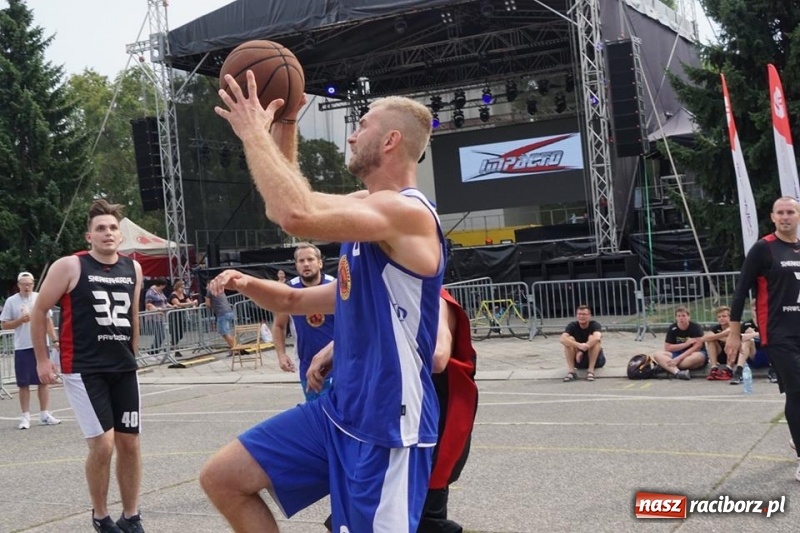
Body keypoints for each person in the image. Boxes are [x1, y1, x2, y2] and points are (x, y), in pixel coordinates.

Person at [199, 72, 442, 532]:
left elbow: (298, 213)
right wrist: (285, 123)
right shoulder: (367, 209)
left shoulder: (405, 212)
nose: (352, 133)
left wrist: (253, 131)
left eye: (363, 125)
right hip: (340, 408)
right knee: (223, 477)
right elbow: (286, 209)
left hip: (387, 422)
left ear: (390, 141)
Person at [312, 288, 478, 533]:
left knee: (410, 517)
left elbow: (439, 356)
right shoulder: (388, 294)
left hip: (424, 431)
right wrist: (337, 346)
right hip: (388, 427)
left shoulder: (436, 300)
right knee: (356, 513)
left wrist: (366, 346)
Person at [30, 199, 145, 533]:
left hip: (122, 367)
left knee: (130, 443)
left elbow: (132, 317)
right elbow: (39, 311)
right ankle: (100, 515)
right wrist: (42, 360)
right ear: (89, 237)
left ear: (120, 236)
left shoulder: (132, 269)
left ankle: (131, 515)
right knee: (103, 443)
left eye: (112, 228)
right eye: (101, 229)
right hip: (83, 367)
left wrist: (133, 357)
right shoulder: (70, 266)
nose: (108, 233)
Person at [726, 197, 800, 481]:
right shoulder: (764, 248)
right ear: (772, 217)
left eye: (790, 212)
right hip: (779, 334)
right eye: (780, 212)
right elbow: (741, 291)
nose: (785, 217)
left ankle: (797, 435)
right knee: (797, 392)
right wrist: (734, 334)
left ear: (798, 216)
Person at [272, 243, 335, 400]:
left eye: (310, 259)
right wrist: (281, 354)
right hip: (307, 366)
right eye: (301, 261)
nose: (306, 264)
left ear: (320, 263)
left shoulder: (336, 286)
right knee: (316, 416)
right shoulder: (289, 292)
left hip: (338, 363)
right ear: (296, 265)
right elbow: (279, 325)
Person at [0, 271, 61, 429]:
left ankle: (44, 414)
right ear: (18, 285)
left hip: (41, 345)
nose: (27, 287)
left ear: (33, 284)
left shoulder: (40, 297)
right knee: (23, 383)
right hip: (23, 345)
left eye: (29, 284)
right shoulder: (12, 301)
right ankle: (25, 416)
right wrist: (20, 321)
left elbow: (48, 320)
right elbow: (4, 325)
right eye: (24, 284)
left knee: (44, 380)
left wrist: (54, 339)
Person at [651, 306, 706, 380]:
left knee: (698, 357)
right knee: (657, 354)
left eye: (683, 316)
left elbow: (697, 346)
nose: (681, 318)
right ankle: (677, 372)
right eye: (678, 316)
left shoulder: (696, 327)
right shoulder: (672, 328)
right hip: (677, 354)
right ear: (676, 317)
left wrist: (678, 359)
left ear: (688, 317)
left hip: (692, 354)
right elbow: (668, 348)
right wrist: (686, 344)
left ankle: (666, 366)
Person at [560, 304, 606, 382]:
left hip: (596, 360)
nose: (581, 316)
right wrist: (578, 345)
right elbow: (562, 339)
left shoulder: (594, 324)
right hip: (578, 360)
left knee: (593, 339)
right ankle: (572, 372)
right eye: (579, 314)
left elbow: (597, 337)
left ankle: (591, 371)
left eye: (584, 314)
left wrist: (583, 349)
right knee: (569, 340)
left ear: (589, 316)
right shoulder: (572, 325)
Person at [703, 306, 734, 381]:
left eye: (724, 316)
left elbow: (733, 340)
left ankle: (728, 370)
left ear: (730, 317)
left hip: (733, 356)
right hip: (720, 354)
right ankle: (714, 368)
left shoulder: (734, 327)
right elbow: (705, 338)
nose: (721, 318)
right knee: (710, 341)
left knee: (731, 342)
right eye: (719, 317)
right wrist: (722, 334)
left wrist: (714, 336)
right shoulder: (716, 328)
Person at [168, 279, 197, 358]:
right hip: (174, 315)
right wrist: (190, 303)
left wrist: (193, 303)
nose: (182, 289)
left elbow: (188, 301)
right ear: (177, 287)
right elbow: (178, 304)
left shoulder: (183, 294)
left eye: (183, 287)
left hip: (181, 315)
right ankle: (175, 349)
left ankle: (173, 346)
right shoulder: (173, 295)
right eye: (181, 287)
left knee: (180, 333)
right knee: (175, 332)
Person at [143, 278, 170, 354]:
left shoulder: (160, 292)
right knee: (160, 334)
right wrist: (157, 309)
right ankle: (152, 351)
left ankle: (155, 350)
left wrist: (171, 306)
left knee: (161, 334)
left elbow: (164, 302)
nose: (164, 287)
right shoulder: (150, 293)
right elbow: (148, 304)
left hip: (161, 317)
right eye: (163, 286)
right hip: (154, 317)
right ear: (161, 285)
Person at [204, 290, 236, 355]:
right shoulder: (220, 290)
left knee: (225, 333)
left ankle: (235, 349)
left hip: (222, 313)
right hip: (229, 311)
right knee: (226, 332)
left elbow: (207, 304)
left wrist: (209, 305)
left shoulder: (210, 291)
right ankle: (234, 348)